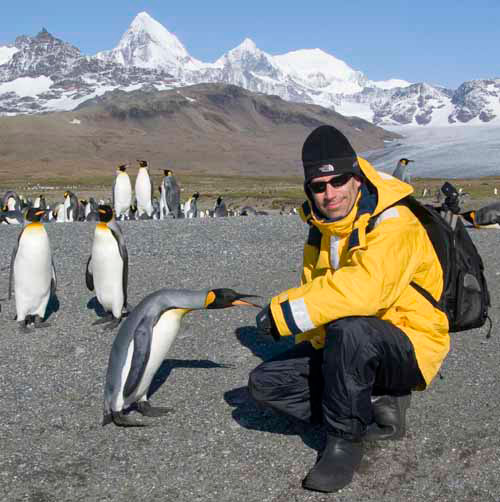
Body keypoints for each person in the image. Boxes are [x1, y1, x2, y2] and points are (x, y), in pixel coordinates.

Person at [248, 125, 449, 493]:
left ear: (356, 177)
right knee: (265, 384)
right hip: (350, 346)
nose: (330, 193)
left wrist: (284, 314)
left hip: (407, 346)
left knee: (352, 328)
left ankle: (345, 441)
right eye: (319, 186)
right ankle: (371, 403)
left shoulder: (394, 221)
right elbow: (318, 289)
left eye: (338, 180)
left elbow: (366, 292)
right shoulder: (322, 228)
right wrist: (315, 348)